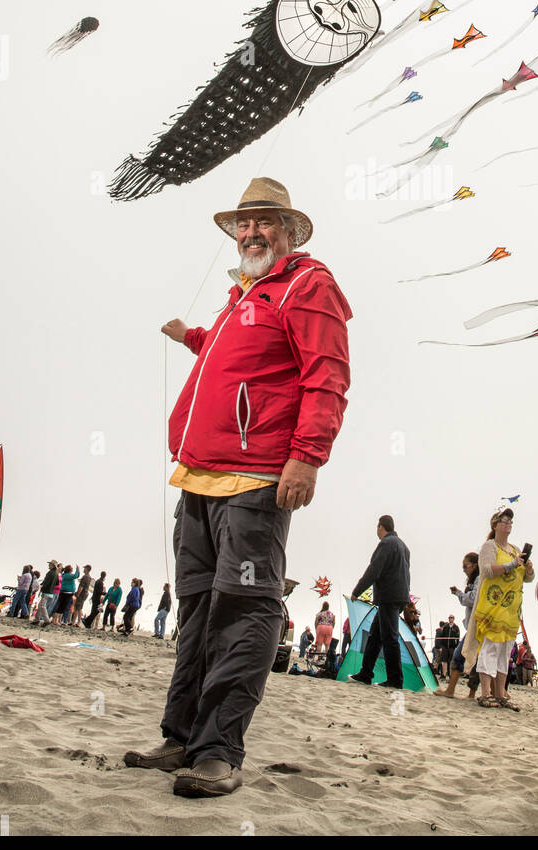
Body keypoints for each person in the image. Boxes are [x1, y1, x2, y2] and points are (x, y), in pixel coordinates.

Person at [125, 178, 351, 798]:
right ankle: (181, 737)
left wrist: (307, 457)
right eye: (243, 223)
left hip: (256, 479)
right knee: (196, 607)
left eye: (264, 223)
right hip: (198, 474)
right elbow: (234, 356)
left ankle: (219, 750)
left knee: (244, 610)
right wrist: (191, 337)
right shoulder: (239, 297)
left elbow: (326, 374)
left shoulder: (308, 285)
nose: (252, 233)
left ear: (287, 230)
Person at [462, 506, 534, 712]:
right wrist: (512, 565)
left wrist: (528, 568)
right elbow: (486, 570)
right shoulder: (489, 546)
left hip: (511, 609)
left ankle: (501, 694)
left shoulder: (514, 549)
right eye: (504, 521)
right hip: (492, 606)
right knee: (490, 649)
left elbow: (528, 578)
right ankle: (485, 693)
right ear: (495, 525)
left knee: (505, 653)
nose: (508, 524)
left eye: (510, 521)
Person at [350, 516, 411, 689]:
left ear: (381, 527)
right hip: (400, 597)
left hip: (389, 596)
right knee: (375, 635)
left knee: (390, 637)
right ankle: (365, 673)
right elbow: (407, 574)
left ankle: (395, 680)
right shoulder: (404, 547)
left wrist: (357, 591)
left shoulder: (386, 544)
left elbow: (374, 570)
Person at [437, 552, 480, 699]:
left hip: (477, 626)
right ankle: (470, 693)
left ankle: (451, 690)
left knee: (458, 656)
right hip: (476, 626)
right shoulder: (475, 580)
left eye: (465, 566)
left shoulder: (479, 579)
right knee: (476, 661)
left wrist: (459, 594)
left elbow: (473, 599)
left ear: (474, 565)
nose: (464, 569)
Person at [32, 562, 59, 627]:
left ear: (53, 565)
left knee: (42, 606)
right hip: (51, 592)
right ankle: (36, 619)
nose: (49, 565)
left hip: (46, 591)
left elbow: (46, 582)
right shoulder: (56, 573)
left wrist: (43, 588)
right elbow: (57, 583)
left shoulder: (50, 573)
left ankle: (46, 620)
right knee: (40, 605)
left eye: (50, 564)